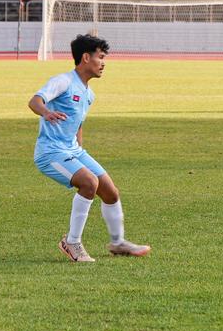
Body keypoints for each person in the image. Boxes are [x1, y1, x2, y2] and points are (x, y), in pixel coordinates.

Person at [29, 34, 150, 262]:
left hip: (73, 151)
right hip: (50, 152)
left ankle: (117, 242)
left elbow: (78, 125)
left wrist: (79, 155)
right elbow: (35, 101)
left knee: (110, 192)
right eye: (100, 57)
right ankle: (71, 243)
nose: (104, 63)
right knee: (89, 183)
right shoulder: (63, 81)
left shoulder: (89, 94)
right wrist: (46, 112)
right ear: (86, 57)